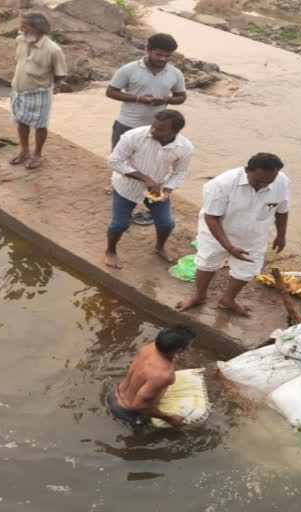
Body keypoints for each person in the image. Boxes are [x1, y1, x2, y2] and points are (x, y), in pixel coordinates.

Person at [176, 153, 290, 317]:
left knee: (248, 268)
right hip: (217, 232)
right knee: (206, 262)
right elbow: (211, 217)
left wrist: (281, 235)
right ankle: (199, 296)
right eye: (258, 181)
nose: (263, 185)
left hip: (254, 234)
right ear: (247, 170)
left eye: (269, 182)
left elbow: (282, 209)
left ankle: (228, 300)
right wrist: (229, 247)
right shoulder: (222, 184)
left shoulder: (282, 181)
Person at [105, 110, 193, 269]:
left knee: (166, 224)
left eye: (160, 129)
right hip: (126, 187)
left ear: (175, 131)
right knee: (119, 224)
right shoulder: (133, 136)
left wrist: (167, 190)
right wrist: (146, 179)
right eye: (153, 126)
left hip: (157, 190)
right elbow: (114, 162)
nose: (153, 130)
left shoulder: (185, 147)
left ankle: (159, 247)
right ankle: (110, 251)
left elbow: (180, 172)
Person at [104, 33, 187, 200]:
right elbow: (110, 92)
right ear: (147, 50)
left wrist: (168, 100)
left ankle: (148, 187)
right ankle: (116, 184)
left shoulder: (175, 73)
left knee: (151, 161)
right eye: (159, 54)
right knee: (119, 157)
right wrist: (138, 98)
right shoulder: (129, 69)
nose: (163, 59)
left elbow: (181, 96)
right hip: (127, 123)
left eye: (167, 56)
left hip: (158, 129)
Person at [107, 325, 196, 432]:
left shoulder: (151, 347)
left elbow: (168, 361)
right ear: (179, 350)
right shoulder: (164, 375)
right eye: (190, 344)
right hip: (128, 413)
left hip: (114, 395)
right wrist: (169, 418)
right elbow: (139, 405)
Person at [9, 12, 67, 170]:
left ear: (36, 28)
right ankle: (24, 151)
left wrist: (53, 86)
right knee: (21, 121)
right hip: (18, 89)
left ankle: (37, 154)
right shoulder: (20, 40)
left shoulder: (53, 50)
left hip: (39, 92)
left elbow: (60, 73)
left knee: (40, 125)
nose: (20, 27)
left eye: (24, 25)